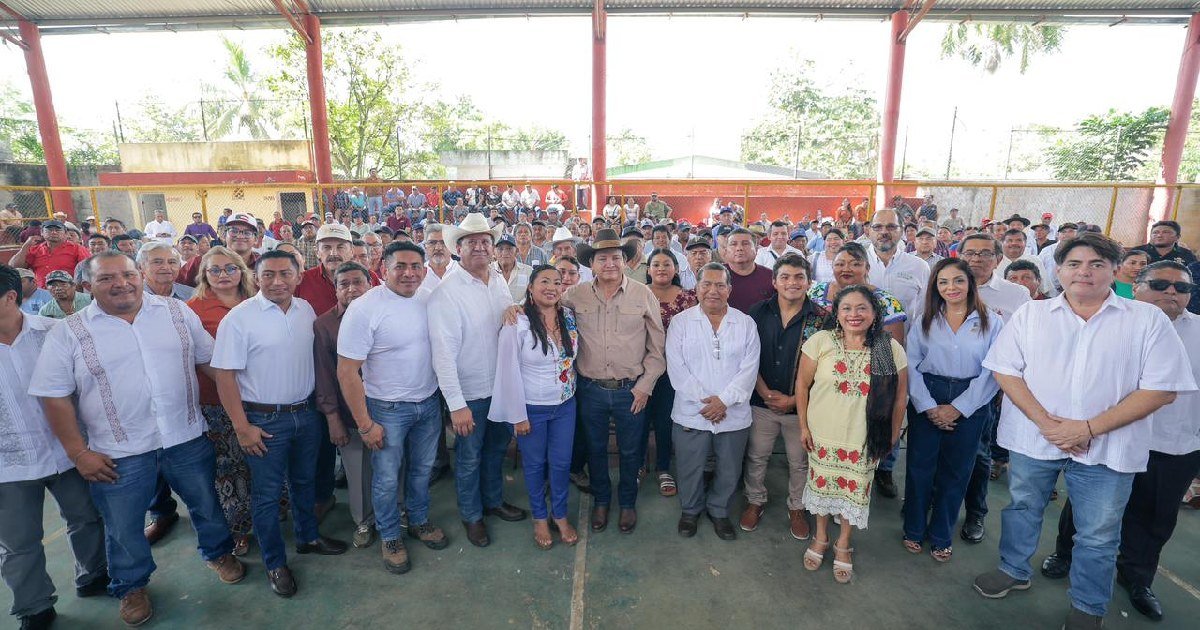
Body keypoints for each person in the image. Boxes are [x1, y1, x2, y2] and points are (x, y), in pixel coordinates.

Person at [971, 234, 1195, 630]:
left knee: (1098, 531)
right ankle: (1013, 569)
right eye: (1074, 264)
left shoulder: (1146, 320)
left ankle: (1089, 604)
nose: (1084, 272)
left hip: (1109, 445)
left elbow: (1161, 389)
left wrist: (1088, 427)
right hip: (1033, 438)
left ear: (1116, 271)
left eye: (1096, 264)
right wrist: (1047, 424)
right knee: (1022, 507)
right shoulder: (1032, 315)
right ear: (1059, 271)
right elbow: (1005, 370)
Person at [31, 250, 245, 626]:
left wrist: (248, 407)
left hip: (185, 436)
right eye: (107, 278)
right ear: (87, 286)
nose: (121, 284)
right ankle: (131, 585)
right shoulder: (70, 331)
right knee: (123, 525)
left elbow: (210, 363)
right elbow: (54, 395)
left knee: (206, 503)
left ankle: (218, 552)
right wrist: (78, 452)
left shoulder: (177, 313)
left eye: (128, 275)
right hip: (118, 450)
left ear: (140, 275)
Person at [1037, 260, 1200, 622]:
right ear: (1137, 287)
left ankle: (1137, 578)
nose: (1171, 292)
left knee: (1155, 518)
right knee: (1086, 510)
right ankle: (1065, 554)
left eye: (1182, 288)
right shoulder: (1106, 321)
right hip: (1107, 437)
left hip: (1171, 444)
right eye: (1160, 284)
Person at [211, 250, 348, 599]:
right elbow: (224, 377)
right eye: (268, 274)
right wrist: (242, 427)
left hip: (305, 413)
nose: (277, 281)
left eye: (285, 274)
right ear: (256, 278)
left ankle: (308, 537)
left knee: (304, 482)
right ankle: (275, 561)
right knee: (267, 496)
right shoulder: (239, 319)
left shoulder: (305, 311)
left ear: (298, 277)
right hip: (263, 419)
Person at [0, 265, 108, 630]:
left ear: (11, 297)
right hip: (8, 464)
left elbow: (86, 387)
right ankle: (34, 607)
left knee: (86, 518)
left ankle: (93, 575)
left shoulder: (54, 334)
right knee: (18, 542)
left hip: (68, 450)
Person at [339, 243, 449, 573]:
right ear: (383, 268)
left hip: (428, 403)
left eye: (416, 266)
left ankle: (418, 520)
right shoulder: (365, 308)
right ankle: (389, 535)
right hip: (386, 409)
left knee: (422, 470)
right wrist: (365, 424)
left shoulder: (430, 297)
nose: (409, 272)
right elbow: (346, 371)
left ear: (425, 270)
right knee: (386, 478)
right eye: (400, 266)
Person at [797, 285, 908, 584]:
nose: (854, 315)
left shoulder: (888, 347)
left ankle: (843, 542)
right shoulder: (820, 341)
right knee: (821, 488)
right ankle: (820, 537)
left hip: (864, 437)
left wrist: (893, 434)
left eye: (862, 308)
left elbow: (899, 397)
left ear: (875, 314)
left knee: (853, 492)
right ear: (837, 312)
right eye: (847, 308)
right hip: (823, 432)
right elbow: (802, 385)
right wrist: (804, 427)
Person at [428, 214, 527, 548]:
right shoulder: (447, 292)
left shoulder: (497, 280)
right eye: (472, 242)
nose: (481, 247)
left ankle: (493, 501)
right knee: (469, 458)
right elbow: (442, 354)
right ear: (458, 249)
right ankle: (472, 516)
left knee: (496, 450)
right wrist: (456, 405)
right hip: (469, 394)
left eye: (486, 241)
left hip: (500, 388)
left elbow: (505, 321)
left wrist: (515, 311)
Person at [902, 259, 1003, 563]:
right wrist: (929, 407)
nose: (951, 288)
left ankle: (942, 534)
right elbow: (911, 365)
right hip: (927, 393)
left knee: (957, 471)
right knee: (920, 467)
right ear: (935, 286)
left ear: (971, 283)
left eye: (958, 281)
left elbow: (993, 371)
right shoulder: (924, 320)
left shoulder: (992, 322)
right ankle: (914, 528)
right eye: (943, 282)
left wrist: (959, 408)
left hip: (971, 398)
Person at [569, 228, 667, 533]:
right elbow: (541, 306)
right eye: (602, 258)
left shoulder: (643, 294)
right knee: (596, 449)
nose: (610, 263)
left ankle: (626, 503)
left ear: (625, 261)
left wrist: (645, 385)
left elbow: (657, 347)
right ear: (592, 264)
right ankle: (601, 500)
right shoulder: (575, 294)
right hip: (590, 389)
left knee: (630, 450)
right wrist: (514, 307)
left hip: (631, 391)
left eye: (616, 257)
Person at [490, 265, 582, 549]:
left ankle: (560, 514)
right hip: (532, 407)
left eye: (557, 282)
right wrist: (517, 415)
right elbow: (507, 370)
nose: (552, 287)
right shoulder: (516, 322)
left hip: (565, 405)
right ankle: (540, 518)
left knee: (561, 462)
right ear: (530, 286)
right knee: (534, 464)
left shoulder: (568, 316)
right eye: (544, 281)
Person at [667, 263, 760, 540]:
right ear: (696, 289)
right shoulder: (681, 322)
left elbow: (749, 368)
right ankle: (690, 510)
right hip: (692, 411)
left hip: (733, 413)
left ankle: (719, 511)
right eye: (706, 284)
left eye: (720, 285)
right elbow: (677, 367)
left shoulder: (745, 323)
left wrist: (724, 401)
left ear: (729, 290)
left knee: (729, 468)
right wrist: (706, 402)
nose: (713, 291)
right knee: (690, 465)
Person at [741, 254, 830, 540]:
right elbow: (746, 358)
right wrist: (765, 393)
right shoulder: (757, 312)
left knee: (799, 461)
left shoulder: (822, 319)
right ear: (774, 282)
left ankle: (797, 507)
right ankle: (755, 501)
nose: (792, 283)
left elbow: (826, 369)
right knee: (756, 457)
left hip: (800, 408)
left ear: (808, 281)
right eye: (786, 277)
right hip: (761, 402)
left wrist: (793, 400)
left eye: (799, 277)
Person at [957, 233, 1033, 542]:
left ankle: (975, 512)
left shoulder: (1015, 295)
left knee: (978, 453)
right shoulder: (945, 285)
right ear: (960, 256)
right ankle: (935, 501)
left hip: (989, 385)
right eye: (970, 253)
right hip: (943, 384)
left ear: (998, 260)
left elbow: (1025, 344)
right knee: (938, 451)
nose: (976, 259)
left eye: (985, 253)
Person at [185, 246, 257, 559]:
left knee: (259, 461)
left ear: (242, 271)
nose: (223, 275)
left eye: (230, 268)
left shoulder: (257, 302)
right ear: (204, 275)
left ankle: (268, 514)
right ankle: (237, 529)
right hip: (217, 401)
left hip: (261, 397)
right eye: (215, 270)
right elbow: (200, 359)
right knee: (228, 466)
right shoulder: (194, 309)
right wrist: (234, 387)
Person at [313, 262, 378, 552]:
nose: (351, 289)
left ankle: (397, 512)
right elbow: (325, 375)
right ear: (335, 289)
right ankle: (363, 520)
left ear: (370, 285)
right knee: (357, 470)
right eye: (344, 284)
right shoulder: (325, 324)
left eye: (357, 282)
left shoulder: (384, 313)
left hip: (386, 407)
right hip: (347, 412)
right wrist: (333, 418)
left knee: (393, 466)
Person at [643, 248, 699, 497]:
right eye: (656, 264)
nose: (661, 269)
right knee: (639, 419)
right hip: (640, 367)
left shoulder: (689, 298)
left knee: (665, 420)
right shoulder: (638, 294)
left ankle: (663, 467)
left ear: (676, 269)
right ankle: (638, 464)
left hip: (675, 371)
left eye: (667, 264)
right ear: (648, 269)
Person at [807, 242, 906, 345]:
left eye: (855, 264)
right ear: (832, 267)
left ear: (867, 268)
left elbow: (892, 350)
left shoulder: (888, 304)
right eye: (840, 264)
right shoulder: (816, 293)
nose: (846, 269)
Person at [179, 213, 260, 286]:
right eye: (234, 231)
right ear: (224, 235)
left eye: (247, 233)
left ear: (256, 239)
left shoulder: (262, 264)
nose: (240, 236)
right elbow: (176, 287)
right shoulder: (200, 262)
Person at [10, 220, 91, 288]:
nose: (53, 232)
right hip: (43, 294)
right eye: (49, 230)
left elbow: (89, 270)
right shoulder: (35, 250)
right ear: (42, 232)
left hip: (69, 293)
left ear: (66, 234)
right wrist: (26, 245)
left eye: (58, 230)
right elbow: (14, 267)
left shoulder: (77, 248)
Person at [722, 229, 775, 312]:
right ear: (725, 251)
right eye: (733, 244)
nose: (739, 248)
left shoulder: (770, 276)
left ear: (756, 250)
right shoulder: (715, 275)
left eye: (745, 244)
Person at [493, 236, 534, 303]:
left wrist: (517, 308)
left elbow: (532, 295)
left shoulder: (528, 271)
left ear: (517, 251)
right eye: (500, 249)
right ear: (493, 252)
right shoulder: (487, 271)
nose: (505, 252)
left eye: (509, 249)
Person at [419, 223, 457, 292]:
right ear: (425, 247)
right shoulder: (417, 274)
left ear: (451, 246)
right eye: (432, 243)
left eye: (444, 243)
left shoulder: (463, 272)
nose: (438, 248)